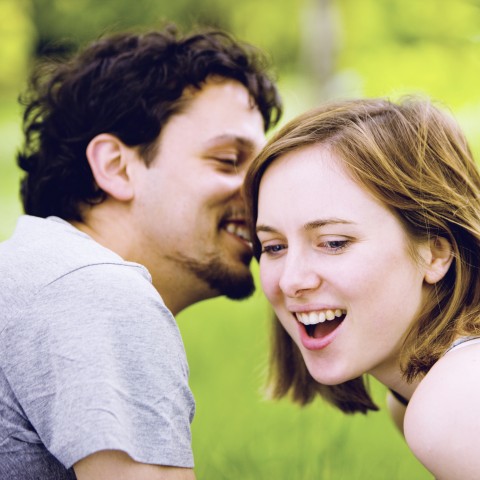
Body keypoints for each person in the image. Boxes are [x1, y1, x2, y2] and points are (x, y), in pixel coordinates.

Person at [0, 25, 281, 479]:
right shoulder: (96, 290)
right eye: (229, 161)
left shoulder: (39, 272)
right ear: (116, 167)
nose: (265, 192)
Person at [244, 97, 480, 479]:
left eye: (333, 242)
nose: (290, 280)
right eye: (273, 247)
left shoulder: (456, 399)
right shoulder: (411, 399)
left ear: (435, 253)